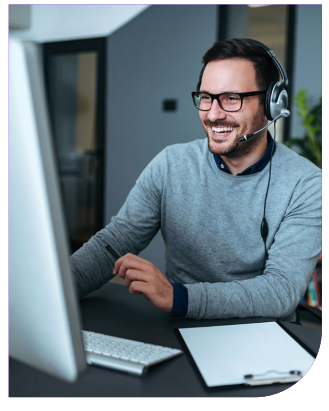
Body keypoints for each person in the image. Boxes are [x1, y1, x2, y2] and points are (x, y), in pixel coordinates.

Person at [70, 38, 321, 322]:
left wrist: (177, 297)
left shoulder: (307, 184)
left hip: (263, 337)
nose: (213, 114)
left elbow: (280, 291)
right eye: (205, 97)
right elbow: (115, 242)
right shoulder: (170, 164)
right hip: (179, 328)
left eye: (231, 98)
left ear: (270, 104)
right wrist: (55, 291)